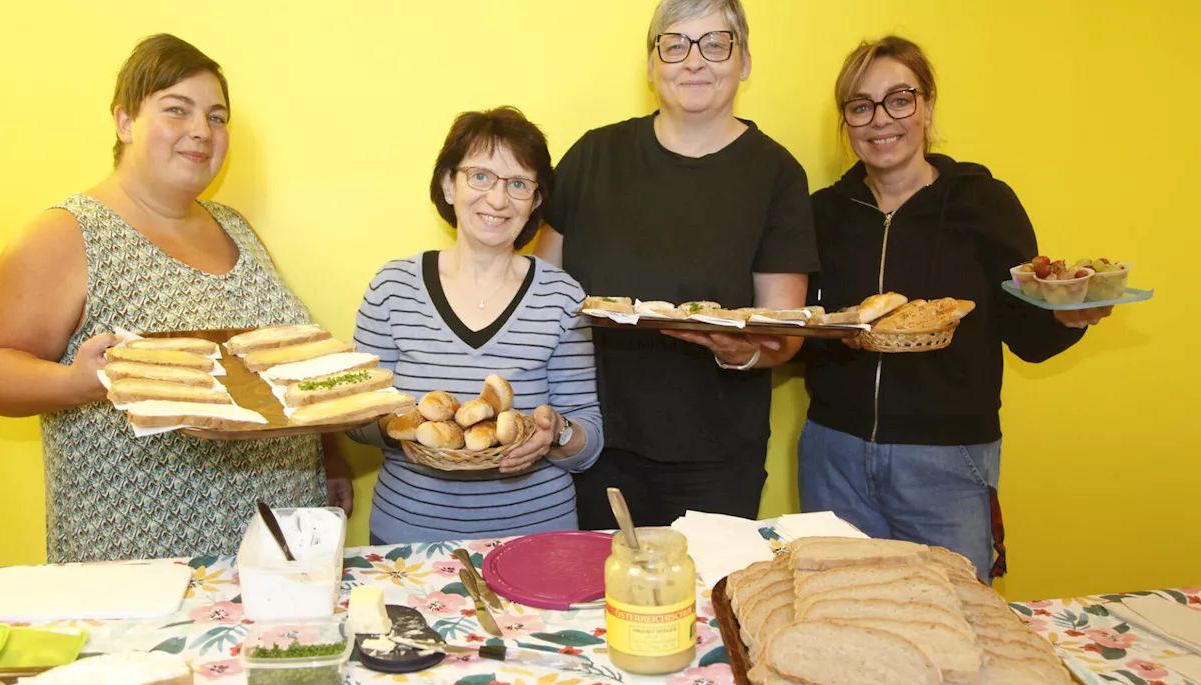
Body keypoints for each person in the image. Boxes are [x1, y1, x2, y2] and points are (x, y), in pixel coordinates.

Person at [0, 34, 351, 562]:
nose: (201, 132)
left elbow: (276, 364)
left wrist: (331, 456)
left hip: (277, 548)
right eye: (176, 110)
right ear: (124, 122)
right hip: (145, 555)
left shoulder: (234, 227)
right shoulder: (71, 233)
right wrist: (76, 382)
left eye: (216, 116)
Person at [790, 35, 1112, 580]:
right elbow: (801, 332)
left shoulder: (983, 204)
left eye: (899, 98)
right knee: (839, 623)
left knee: (960, 633)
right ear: (846, 122)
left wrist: (1067, 316)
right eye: (860, 106)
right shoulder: (821, 214)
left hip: (947, 460)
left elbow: (1028, 335)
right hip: (834, 455)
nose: (880, 120)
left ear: (928, 105)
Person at [536, 0, 817, 530]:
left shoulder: (776, 174)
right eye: (675, 45)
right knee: (597, 600)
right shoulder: (595, 157)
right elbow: (541, 294)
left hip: (716, 455)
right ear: (651, 65)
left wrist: (742, 354)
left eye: (715, 44)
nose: (695, 61)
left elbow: (786, 332)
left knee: (700, 601)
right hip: (593, 445)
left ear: (745, 62)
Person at [349, 107, 603, 544]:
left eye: (519, 184)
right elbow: (354, 415)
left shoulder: (563, 297)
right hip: (410, 537)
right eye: (480, 176)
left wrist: (554, 432)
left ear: (536, 201)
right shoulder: (393, 286)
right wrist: (397, 428)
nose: (498, 200)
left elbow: (589, 439)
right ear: (449, 184)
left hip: (537, 537)